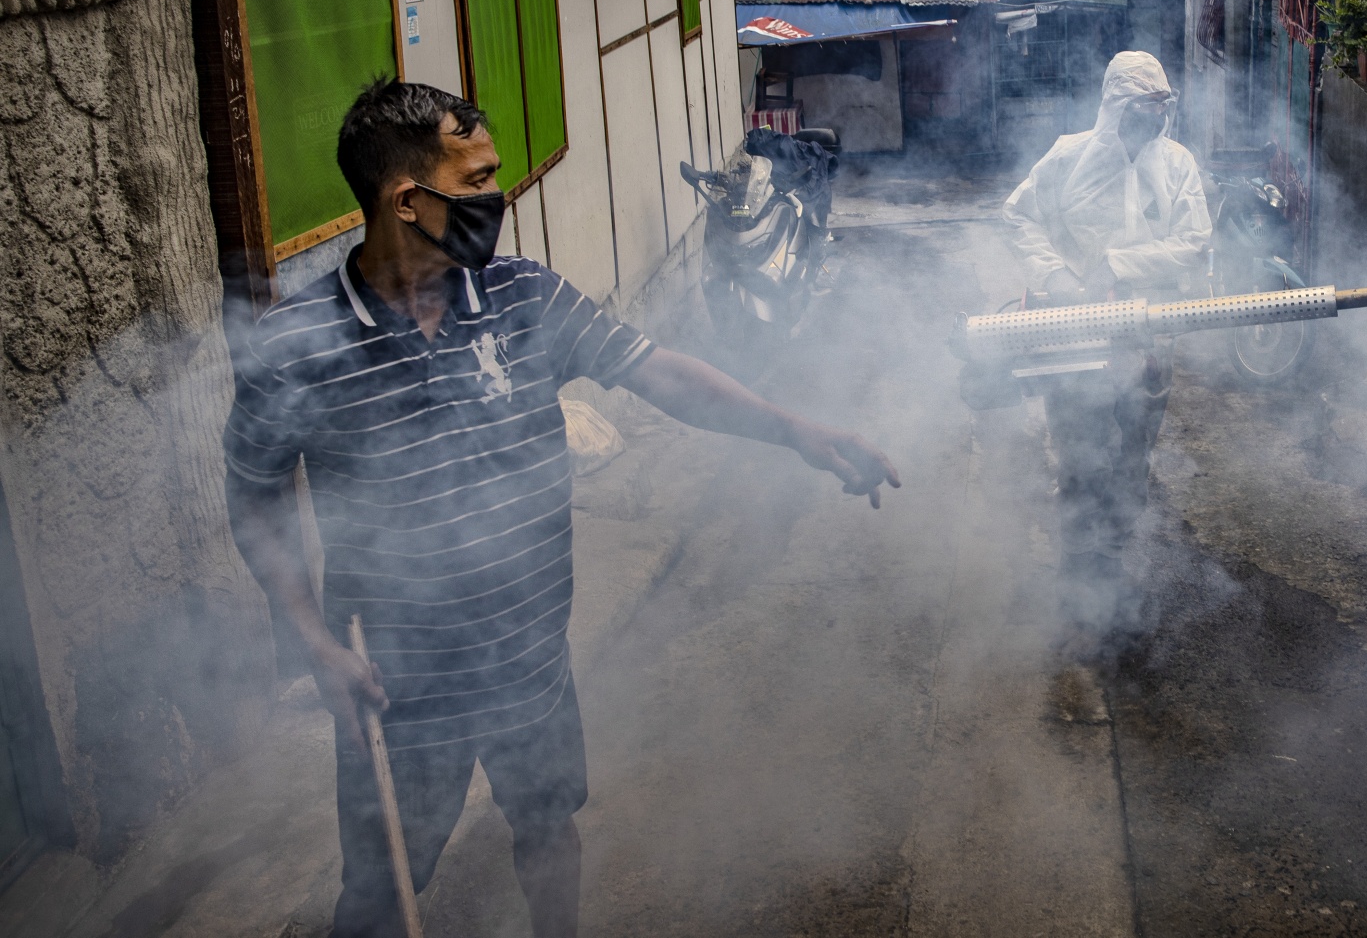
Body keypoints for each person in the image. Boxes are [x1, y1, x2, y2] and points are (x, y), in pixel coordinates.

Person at [223, 80, 900, 938]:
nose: (495, 198)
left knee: (546, 825)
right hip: (397, 684)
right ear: (406, 199)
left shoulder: (522, 295)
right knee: (382, 890)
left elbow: (656, 369)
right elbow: (253, 496)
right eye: (477, 181)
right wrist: (315, 644)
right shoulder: (296, 345)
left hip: (531, 654)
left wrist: (792, 427)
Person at [1000, 51, 1210, 660]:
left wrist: (1115, 266)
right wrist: (1060, 278)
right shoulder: (1068, 157)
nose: (1154, 121)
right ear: (1114, 107)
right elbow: (1018, 216)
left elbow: (1193, 243)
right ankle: (1076, 598)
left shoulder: (1177, 167)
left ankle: (1112, 591)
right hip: (1076, 339)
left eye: (1161, 109)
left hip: (1145, 341)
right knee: (1079, 462)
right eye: (1141, 109)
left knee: (1129, 462)